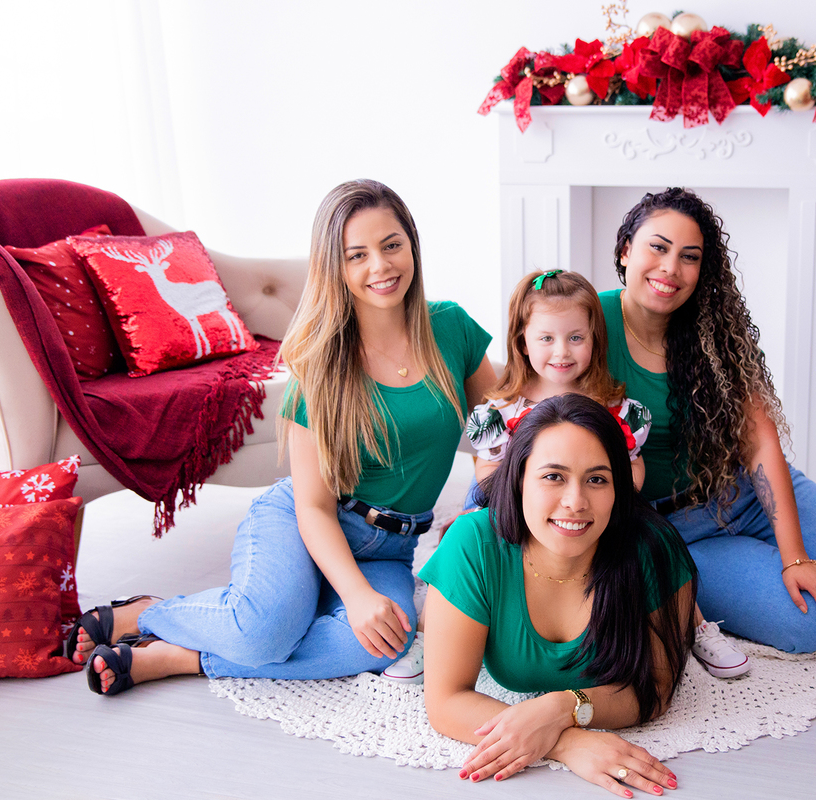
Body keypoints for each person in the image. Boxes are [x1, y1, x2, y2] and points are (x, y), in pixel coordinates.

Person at [71, 179, 496, 694]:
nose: (380, 267)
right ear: (334, 269)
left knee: (380, 643)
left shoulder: (450, 327)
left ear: (412, 244)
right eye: (356, 255)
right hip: (306, 522)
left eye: (391, 245)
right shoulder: (321, 367)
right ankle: (151, 614)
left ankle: (183, 657)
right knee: (264, 636)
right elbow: (313, 508)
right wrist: (356, 595)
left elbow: (494, 432)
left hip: (390, 549)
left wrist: (481, 503)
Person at [600, 187, 816, 655]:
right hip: (671, 534)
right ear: (626, 249)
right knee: (814, 624)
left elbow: (760, 446)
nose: (670, 269)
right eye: (658, 247)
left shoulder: (714, 330)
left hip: (745, 494)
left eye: (689, 257)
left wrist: (795, 558)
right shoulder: (589, 324)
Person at [460, 268, 747, 678]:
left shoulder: (611, 406)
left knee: (657, 541)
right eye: (546, 338)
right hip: (522, 511)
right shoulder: (503, 409)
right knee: (468, 542)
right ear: (522, 342)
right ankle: (436, 628)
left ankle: (694, 625)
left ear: (595, 340)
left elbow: (632, 465)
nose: (562, 351)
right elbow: (488, 471)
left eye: (575, 337)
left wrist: (612, 495)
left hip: (592, 510)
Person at [421, 393, 696, 796]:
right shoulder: (473, 541)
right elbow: (446, 700)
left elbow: (655, 687)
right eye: (553, 476)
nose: (575, 502)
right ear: (518, 479)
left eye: (597, 479)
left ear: (619, 487)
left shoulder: (654, 550)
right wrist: (568, 742)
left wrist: (560, 707)